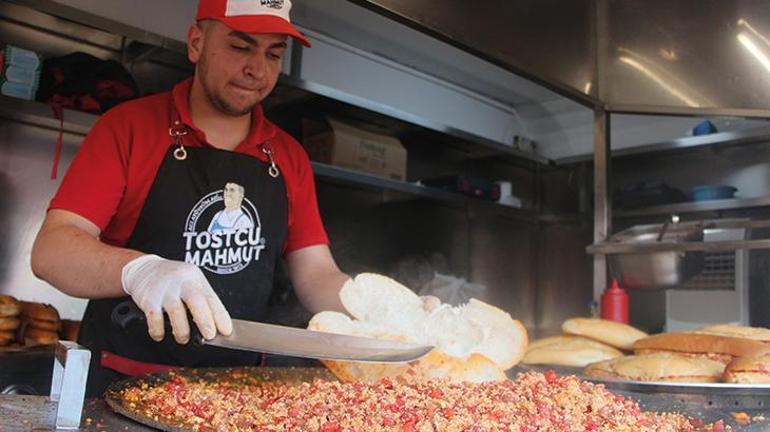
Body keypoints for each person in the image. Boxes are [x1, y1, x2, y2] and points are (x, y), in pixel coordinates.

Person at [30, 0, 350, 396]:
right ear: (197, 43)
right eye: (240, 46)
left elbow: (317, 274)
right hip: (123, 384)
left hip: (239, 393)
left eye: (273, 53)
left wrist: (383, 313)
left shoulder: (288, 156)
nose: (258, 69)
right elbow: (52, 250)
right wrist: (140, 270)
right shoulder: (129, 127)